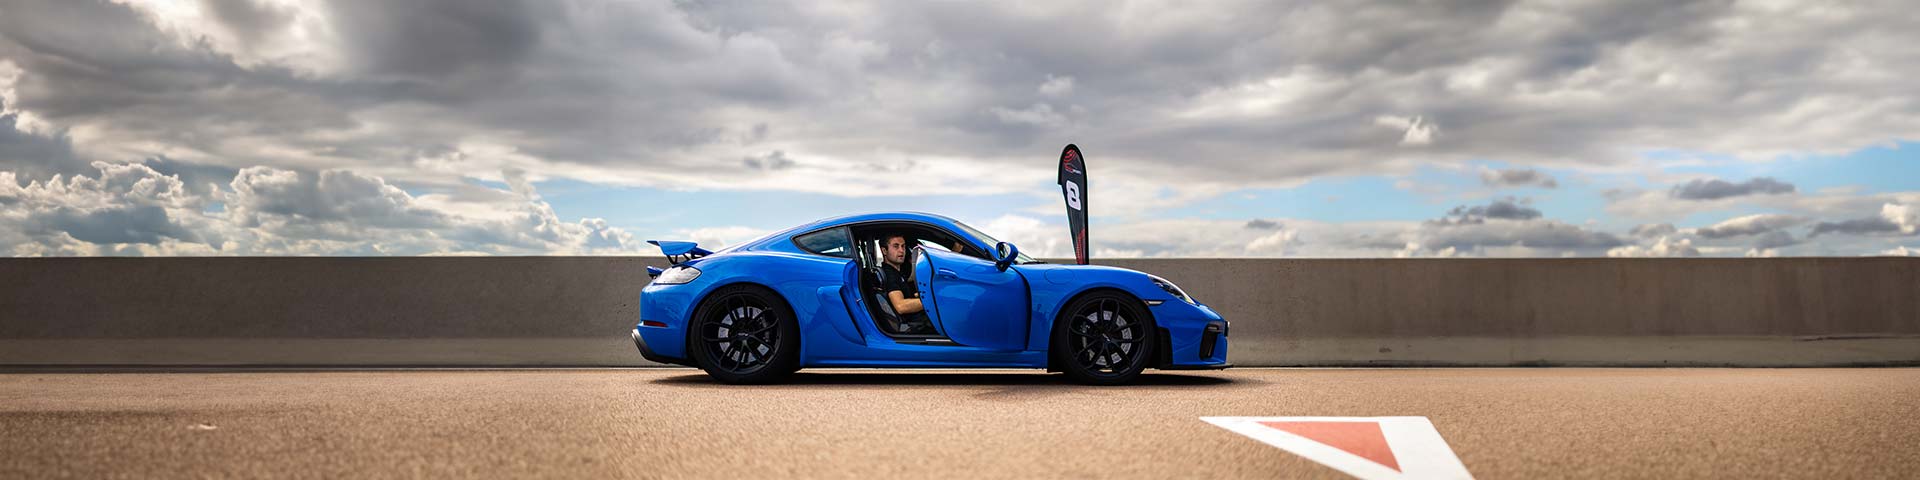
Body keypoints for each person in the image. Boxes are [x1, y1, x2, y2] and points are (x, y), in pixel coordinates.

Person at [878, 233, 936, 334]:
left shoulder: (898, 272)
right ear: (884, 251)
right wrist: (934, 300)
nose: (901, 250)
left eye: (903, 246)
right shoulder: (889, 274)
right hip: (914, 326)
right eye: (896, 246)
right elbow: (901, 306)